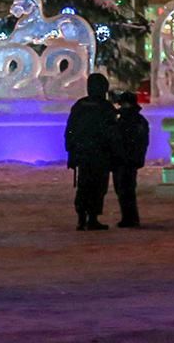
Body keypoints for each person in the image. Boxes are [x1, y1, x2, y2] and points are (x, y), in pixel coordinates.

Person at [64, 72, 115, 231]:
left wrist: (71, 152)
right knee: (97, 187)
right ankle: (91, 218)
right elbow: (113, 132)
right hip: (99, 154)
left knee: (84, 186)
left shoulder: (80, 105)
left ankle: (82, 218)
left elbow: (70, 130)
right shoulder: (106, 107)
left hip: (83, 153)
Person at [110, 90, 149, 228]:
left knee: (125, 190)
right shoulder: (135, 120)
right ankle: (129, 217)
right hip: (124, 160)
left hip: (126, 160)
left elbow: (135, 142)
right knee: (124, 190)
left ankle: (130, 219)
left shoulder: (131, 120)